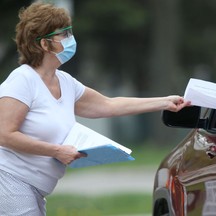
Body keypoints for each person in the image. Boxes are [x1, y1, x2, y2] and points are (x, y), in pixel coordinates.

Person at [0, 2, 190, 215]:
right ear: (44, 44)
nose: (71, 39)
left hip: (35, 188)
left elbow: (108, 105)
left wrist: (164, 102)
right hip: (10, 180)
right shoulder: (22, 79)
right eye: (64, 34)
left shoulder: (65, 82)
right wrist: (56, 151)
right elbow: (5, 135)